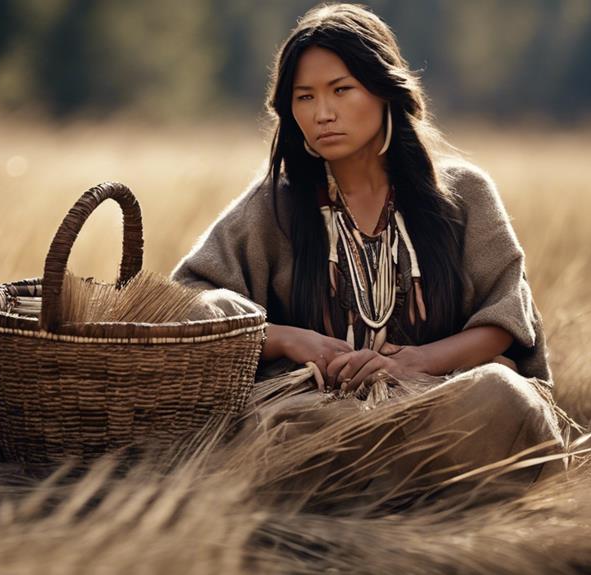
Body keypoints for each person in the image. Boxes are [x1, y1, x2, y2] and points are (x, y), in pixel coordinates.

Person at [172, 3, 568, 497]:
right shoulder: (276, 205)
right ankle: (387, 492)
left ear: (385, 89)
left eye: (341, 90)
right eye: (304, 97)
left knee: (501, 396)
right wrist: (294, 341)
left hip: (440, 402)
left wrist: (415, 363)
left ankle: (370, 491)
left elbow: (506, 318)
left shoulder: (464, 193)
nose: (323, 113)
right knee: (274, 429)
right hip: (317, 412)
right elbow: (190, 303)